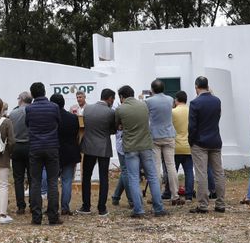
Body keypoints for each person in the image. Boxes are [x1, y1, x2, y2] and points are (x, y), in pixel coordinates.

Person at [115, 84, 167, 217]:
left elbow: (118, 126)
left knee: (133, 178)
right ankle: (159, 208)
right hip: (146, 145)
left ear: (122, 97)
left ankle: (138, 210)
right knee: (152, 176)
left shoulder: (120, 109)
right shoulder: (144, 105)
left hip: (131, 147)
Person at [25, 82, 66, 225]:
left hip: (35, 148)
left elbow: (28, 124)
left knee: (35, 182)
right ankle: (53, 216)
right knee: (53, 182)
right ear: (44, 92)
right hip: (52, 147)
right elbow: (58, 123)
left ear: (32, 94)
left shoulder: (29, 109)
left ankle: (36, 217)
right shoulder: (54, 107)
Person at [187, 76, 225, 213]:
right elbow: (217, 118)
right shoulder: (217, 101)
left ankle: (203, 204)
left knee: (201, 173)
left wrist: (191, 141)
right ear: (208, 86)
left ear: (196, 87)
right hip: (215, 140)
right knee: (218, 173)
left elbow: (192, 126)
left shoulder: (195, 103)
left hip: (200, 142)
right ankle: (220, 203)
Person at [80, 87, 117, 215]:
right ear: (110, 98)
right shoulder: (111, 112)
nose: (113, 102)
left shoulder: (87, 109)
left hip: (89, 146)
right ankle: (102, 208)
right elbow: (113, 130)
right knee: (103, 177)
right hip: (103, 147)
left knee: (86, 177)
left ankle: (86, 206)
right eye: (113, 99)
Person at [145, 80, 177, 202]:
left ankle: (156, 195)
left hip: (155, 136)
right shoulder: (170, 99)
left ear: (152, 89)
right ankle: (175, 195)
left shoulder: (148, 101)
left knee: (156, 167)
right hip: (169, 135)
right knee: (171, 166)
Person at [54, 91, 81, 215]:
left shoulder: (51, 118)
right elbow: (76, 134)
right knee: (67, 181)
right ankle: (65, 207)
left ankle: (53, 207)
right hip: (70, 152)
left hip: (54, 152)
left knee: (52, 180)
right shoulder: (73, 117)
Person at [8, 90, 31, 216]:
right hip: (30, 145)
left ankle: (20, 206)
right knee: (33, 177)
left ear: (21, 100)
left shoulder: (13, 113)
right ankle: (33, 203)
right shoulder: (33, 112)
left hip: (16, 146)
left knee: (18, 178)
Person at [172, 89, 193, 205]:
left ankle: (173, 193)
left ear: (176, 100)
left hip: (175, 146)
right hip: (188, 146)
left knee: (172, 172)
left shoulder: (173, 112)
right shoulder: (191, 111)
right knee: (189, 171)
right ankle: (189, 196)